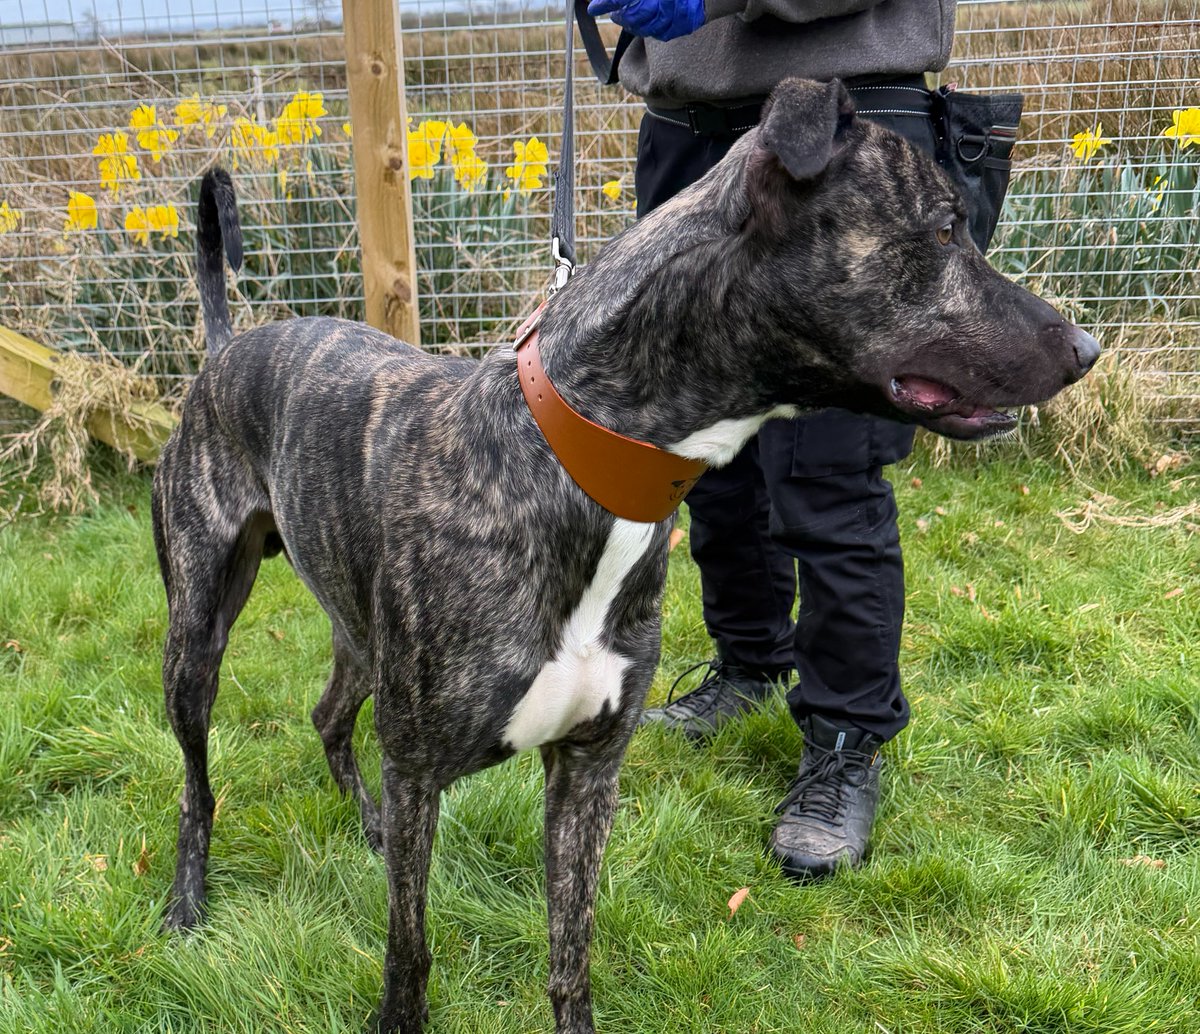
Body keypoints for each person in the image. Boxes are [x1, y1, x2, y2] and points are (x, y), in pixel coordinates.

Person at [587, 0, 1000, 879]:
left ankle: (846, 740)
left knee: (829, 470)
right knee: (705, 451)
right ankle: (749, 665)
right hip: (692, 142)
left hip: (847, 142)